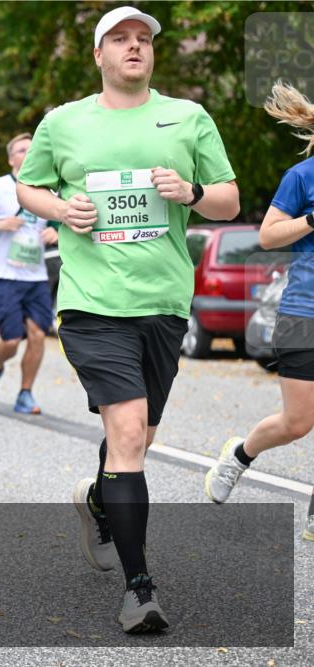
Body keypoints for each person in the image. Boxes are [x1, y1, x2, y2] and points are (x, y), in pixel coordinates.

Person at [16, 6, 240, 633]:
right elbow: (28, 188)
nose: (135, 47)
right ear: (99, 55)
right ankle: (139, 590)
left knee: (134, 437)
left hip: (164, 303)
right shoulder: (64, 123)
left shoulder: (187, 117)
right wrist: (62, 207)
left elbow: (229, 199)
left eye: (143, 39)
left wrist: (190, 193)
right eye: (121, 39)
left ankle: (97, 502)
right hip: (92, 303)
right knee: (129, 429)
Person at [202, 81, 314, 543]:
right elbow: (267, 237)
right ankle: (239, 456)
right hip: (304, 311)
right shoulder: (301, 178)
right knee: (298, 422)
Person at [0, 133, 59, 414]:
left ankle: (25, 394)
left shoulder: (49, 189)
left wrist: (54, 231)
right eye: (21, 150)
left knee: (37, 334)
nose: (27, 153)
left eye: (32, 150)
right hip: (6, 274)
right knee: (11, 339)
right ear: (11, 158)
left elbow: (61, 220)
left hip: (35, 276)